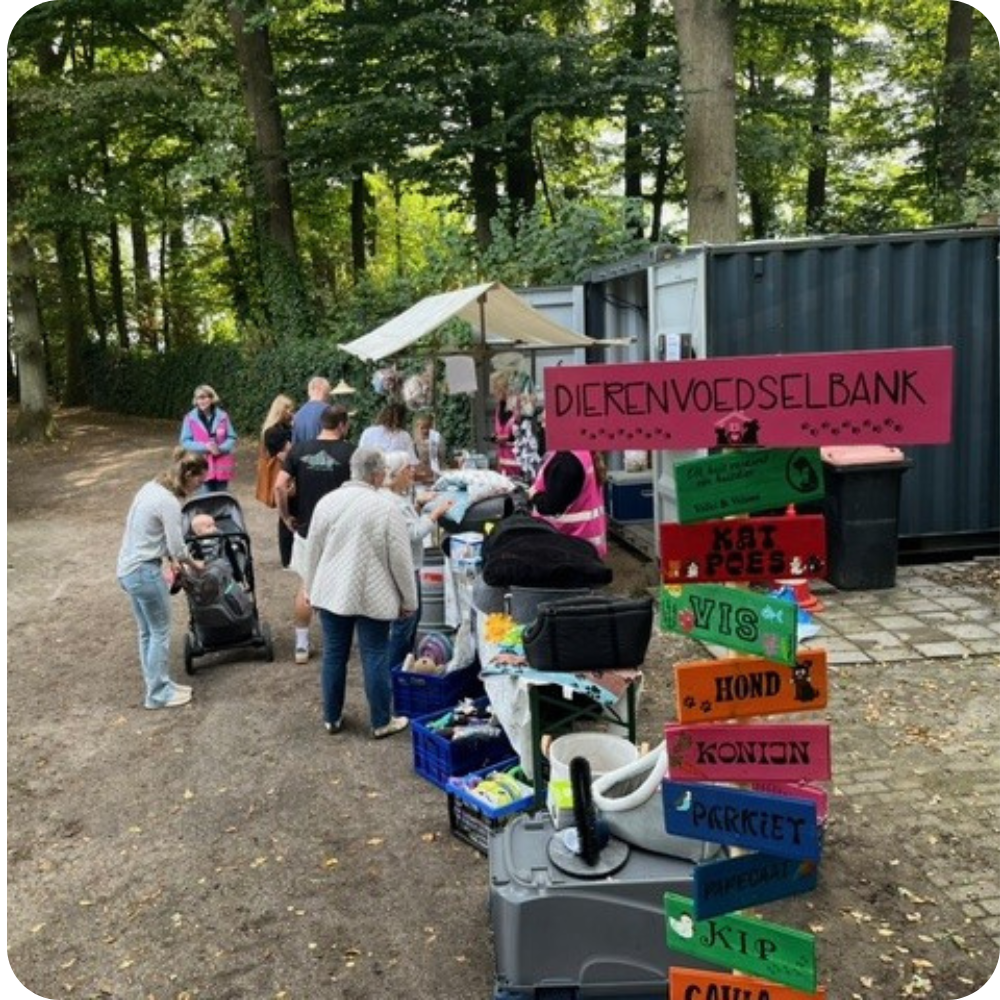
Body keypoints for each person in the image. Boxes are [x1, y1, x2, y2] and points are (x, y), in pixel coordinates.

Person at [303, 448, 418, 739]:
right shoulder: (386, 508)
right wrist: (409, 600)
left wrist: (310, 587)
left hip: (331, 591)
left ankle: (331, 717)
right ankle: (381, 721)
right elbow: (401, 561)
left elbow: (312, 550)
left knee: (334, 654)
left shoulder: (326, 502)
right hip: (374, 593)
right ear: (378, 474)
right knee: (375, 654)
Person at [116, 448, 208, 709]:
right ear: (188, 475)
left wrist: (172, 559)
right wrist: (194, 564)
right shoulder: (168, 501)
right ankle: (157, 694)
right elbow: (178, 547)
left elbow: (153, 535)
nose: (199, 488)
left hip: (127, 568)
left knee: (147, 631)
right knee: (159, 631)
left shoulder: (150, 488)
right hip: (144, 572)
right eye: (199, 482)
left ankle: (158, 683)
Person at [274, 404, 355, 663]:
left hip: (308, 527)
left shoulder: (299, 449)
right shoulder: (351, 452)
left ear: (322, 423)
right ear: (342, 425)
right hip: (342, 529)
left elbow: (279, 486)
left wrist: (286, 517)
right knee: (344, 582)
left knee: (307, 585)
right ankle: (340, 642)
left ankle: (301, 645)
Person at [381, 450, 455, 671]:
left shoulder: (392, 498)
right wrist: (436, 513)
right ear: (397, 473)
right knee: (406, 623)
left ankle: (404, 667)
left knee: (411, 620)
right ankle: (396, 671)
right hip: (406, 568)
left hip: (402, 566)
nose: (412, 472)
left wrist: (419, 508)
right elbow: (413, 533)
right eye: (408, 469)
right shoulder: (394, 501)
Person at [528, 445, 609, 558]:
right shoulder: (583, 452)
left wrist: (533, 495)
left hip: (569, 546)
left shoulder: (566, 461)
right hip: (585, 544)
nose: (544, 426)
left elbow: (551, 506)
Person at [259, 394, 297, 567]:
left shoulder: (279, 429)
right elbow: (286, 454)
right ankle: (287, 557)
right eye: (287, 409)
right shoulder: (275, 432)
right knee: (285, 516)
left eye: (292, 409)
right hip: (284, 477)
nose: (290, 412)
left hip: (286, 476)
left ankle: (289, 557)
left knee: (288, 515)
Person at [179, 385, 238, 493]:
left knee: (221, 499)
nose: (201, 401)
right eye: (198, 398)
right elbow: (185, 442)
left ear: (211, 398)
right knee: (205, 500)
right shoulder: (189, 418)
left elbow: (232, 437)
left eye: (204, 397)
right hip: (200, 465)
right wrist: (205, 447)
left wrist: (220, 448)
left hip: (222, 465)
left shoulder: (223, 416)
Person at [489, 370, 521, 478]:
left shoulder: (517, 407)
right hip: (503, 464)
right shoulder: (499, 407)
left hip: (518, 465)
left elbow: (521, 435)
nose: (492, 392)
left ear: (504, 388)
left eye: (495, 389)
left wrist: (504, 438)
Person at [291, 376, 331, 444]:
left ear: (309, 391)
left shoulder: (298, 415)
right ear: (322, 390)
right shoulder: (328, 410)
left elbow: (294, 446)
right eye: (328, 391)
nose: (329, 395)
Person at [411, 410, 447, 485]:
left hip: (438, 472)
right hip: (422, 475)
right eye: (422, 428)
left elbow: (442, 456)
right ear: (417, 428)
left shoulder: (437, 438)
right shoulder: (414, 441)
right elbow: (414, 459)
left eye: (427, 427)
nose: (425, 430)